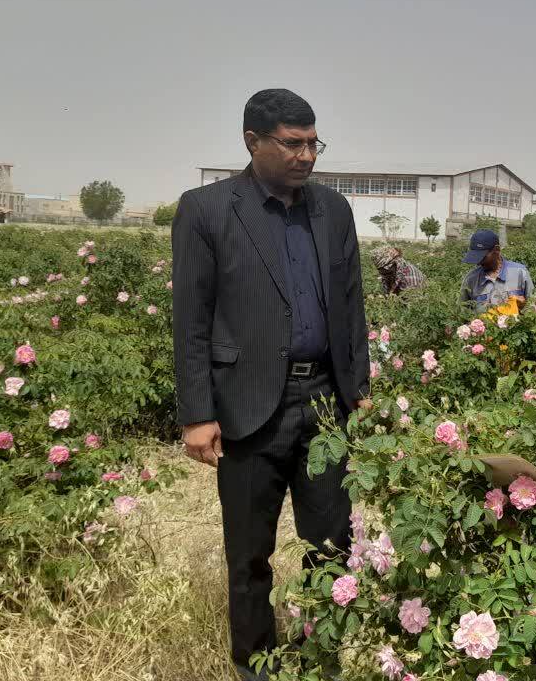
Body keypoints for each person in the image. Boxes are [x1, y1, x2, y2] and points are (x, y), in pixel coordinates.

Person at [171, 88, 369, 679]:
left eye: (313, 144)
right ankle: (256, 667)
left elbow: (351, 307)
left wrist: (359, 391)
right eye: (292, 144)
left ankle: (321, 660)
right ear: (252, 142)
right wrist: (197, 413)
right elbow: (191, 319)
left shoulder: (332, 211)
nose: (306, 156)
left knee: (332, 544)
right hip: (249, 404)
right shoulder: (208, 209)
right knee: (249, 555)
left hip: (325, 404)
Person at [459, 229, 535, 312]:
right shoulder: (471, 279)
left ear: (497, 250)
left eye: (483, 257)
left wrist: (524, 306)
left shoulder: (520, 272)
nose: (479, 262)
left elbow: (534, 308)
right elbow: (461, 312)